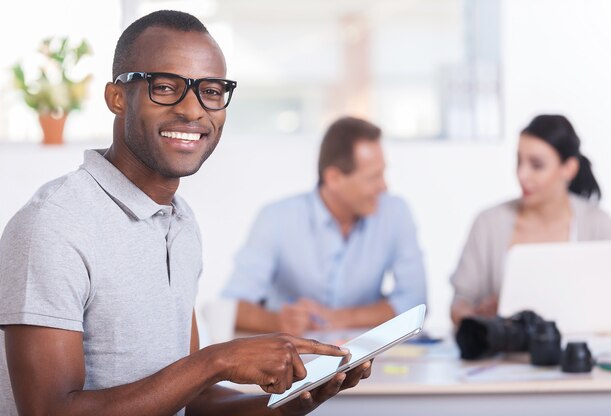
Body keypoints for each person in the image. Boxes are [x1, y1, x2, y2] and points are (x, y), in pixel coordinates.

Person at [0, 10, 371, 416]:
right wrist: (218, 361)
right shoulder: (53, 225)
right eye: (165, 87)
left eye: (211, 91)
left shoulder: (180, 222)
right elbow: (49, 411)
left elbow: (192, 402)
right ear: (117, 98)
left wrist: (285, 405)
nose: (193, 110)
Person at [222, 116, 427, 336]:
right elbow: (232, 306)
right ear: (334, 178)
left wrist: (338, 317)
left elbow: (415, 303)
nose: (384, 186)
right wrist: (279, 322)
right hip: (293, 355)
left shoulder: (395, 212)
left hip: (367, 358)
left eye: (383, 173)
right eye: (373, 177)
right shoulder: (276, 218)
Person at [450, 114, 611, 326]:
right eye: (519, 161)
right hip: (504, 356)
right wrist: (478, 319)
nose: (522, 174)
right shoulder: (488, 223)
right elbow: (459, 303)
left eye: (536, 165)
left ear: (568, 169)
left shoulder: (597, 224)